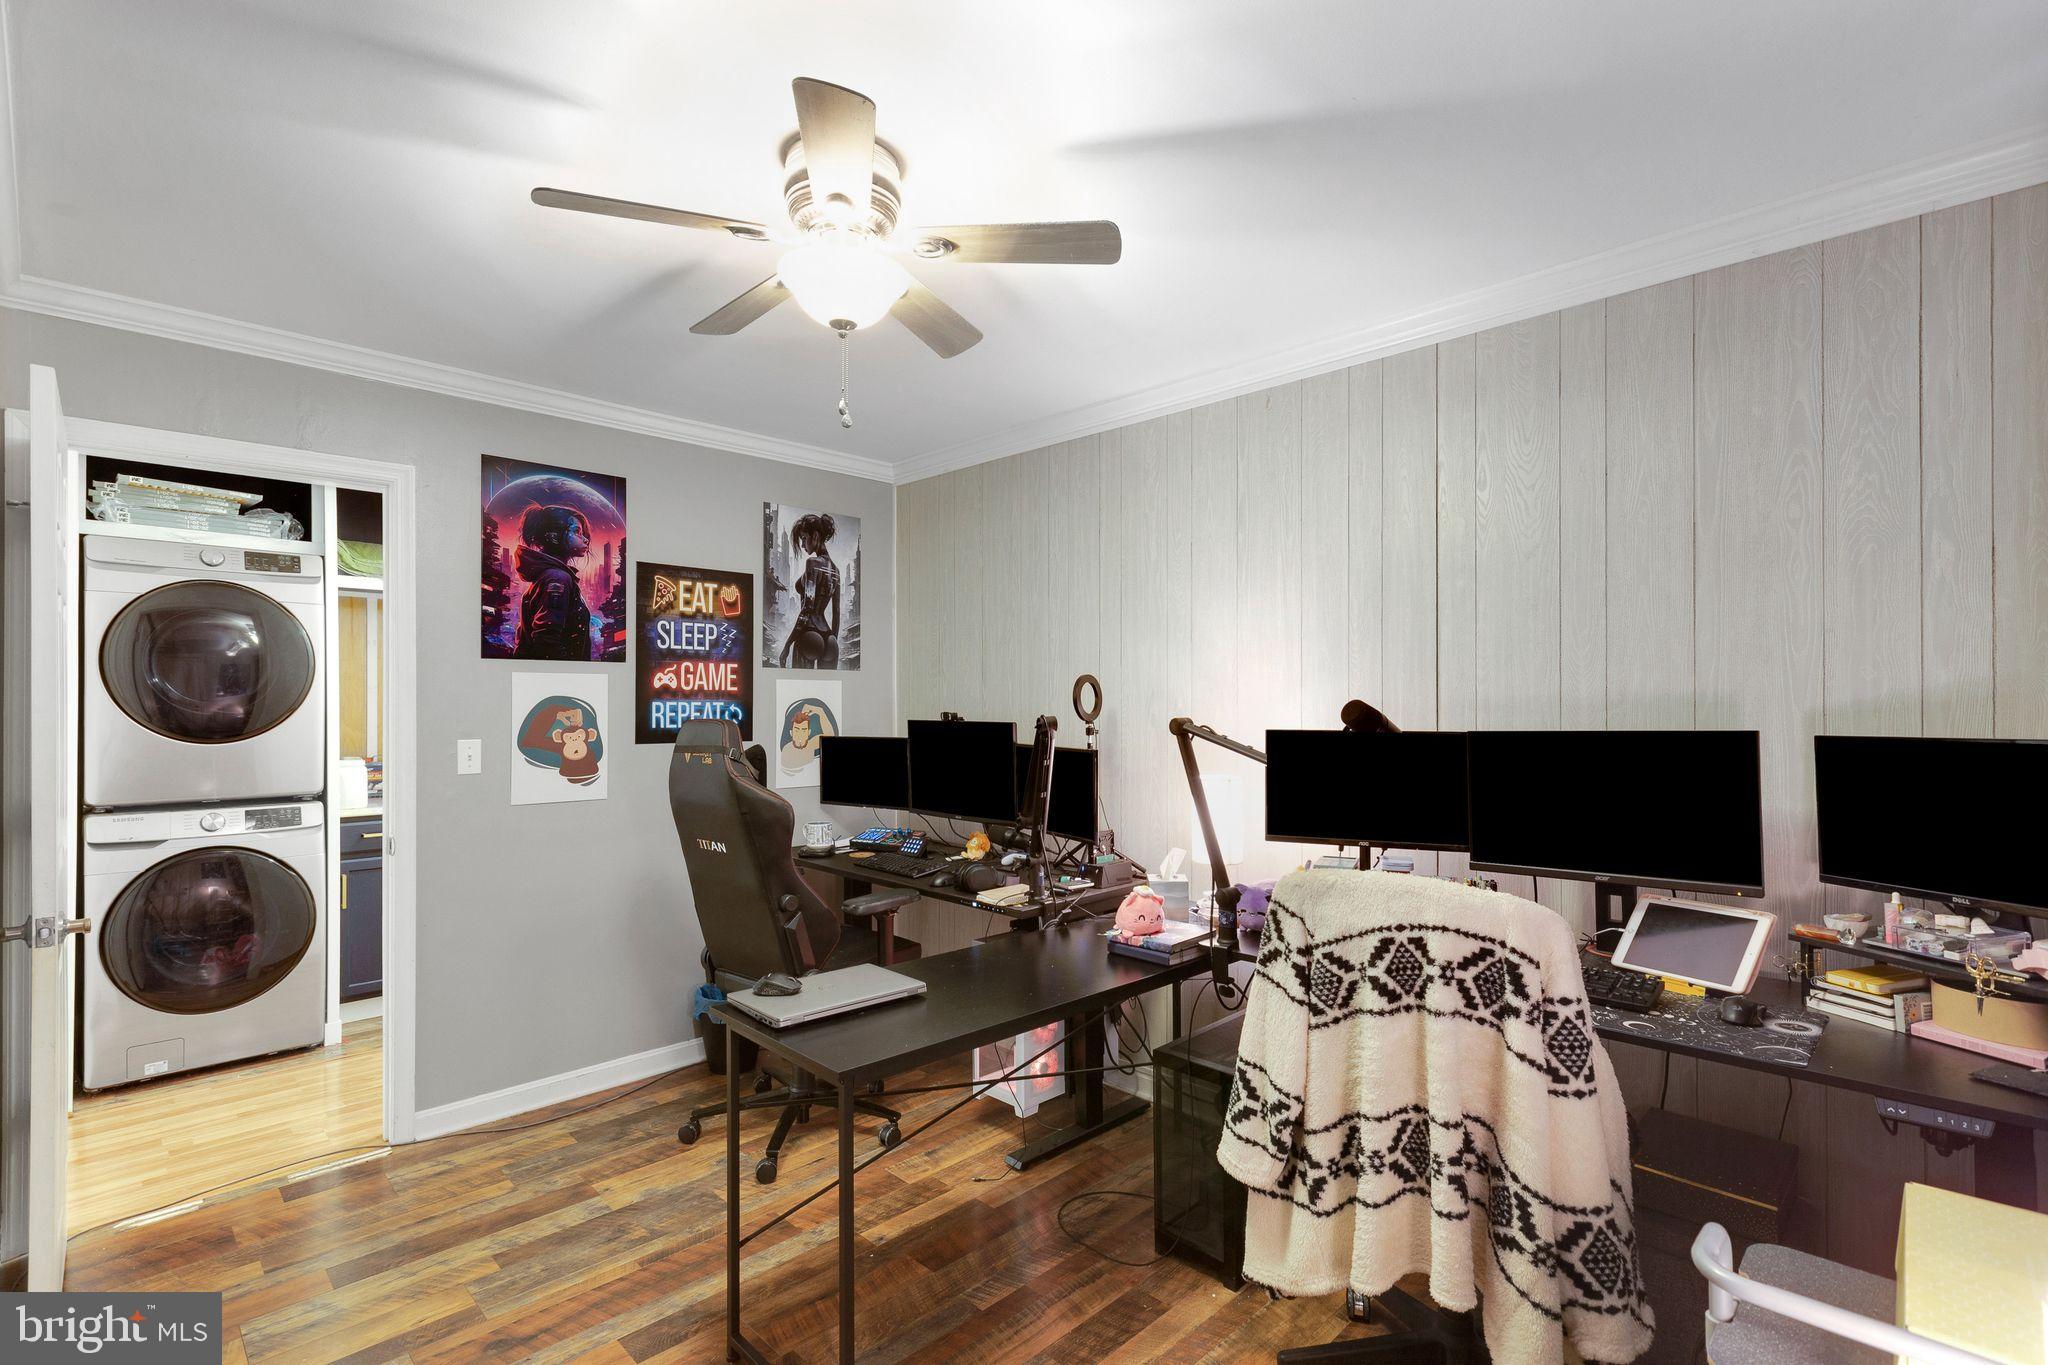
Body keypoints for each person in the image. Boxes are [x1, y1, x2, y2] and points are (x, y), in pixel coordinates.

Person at [515, 505, 593, 659]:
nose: (585, 539)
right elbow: (546, 641)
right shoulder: (558, 578)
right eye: (577, 531)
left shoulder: (551, 576)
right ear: (553, 537)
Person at [777, 512, 840, 668]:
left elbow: (807, 609)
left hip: (810, 634)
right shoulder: (836, 571)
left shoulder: (813, 563)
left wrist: (787, 644)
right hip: (830, 639)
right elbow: (836, 613)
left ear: (816, 536)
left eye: (804, 539)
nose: (803, 545)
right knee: (828, 691)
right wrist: (833, 643)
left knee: (798, 689)